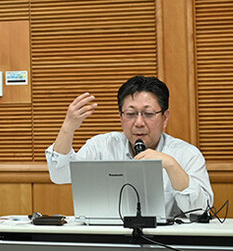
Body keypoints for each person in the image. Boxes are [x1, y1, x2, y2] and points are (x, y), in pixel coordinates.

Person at [46, 75, 213, 218]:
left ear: (165, 117)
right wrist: (68, 127)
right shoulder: (102, 146)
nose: (139, 122)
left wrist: (171, 165)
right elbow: (60, 175)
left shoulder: (187, 154)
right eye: (131, 114)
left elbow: (200, 211)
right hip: (108, 238)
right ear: (121, 117)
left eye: (148, 114)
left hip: (165, 241)